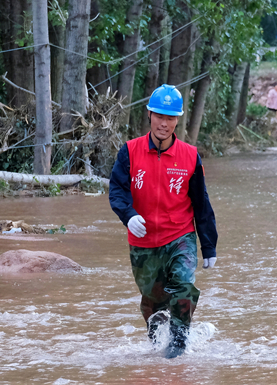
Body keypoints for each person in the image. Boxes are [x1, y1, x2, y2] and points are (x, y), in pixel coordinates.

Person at [109, 84, 218, 359]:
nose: (164, 123)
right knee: (154, 305)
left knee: (182, 285)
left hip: (180, 236)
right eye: (159, 116)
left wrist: (209, 245)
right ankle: (160, 341)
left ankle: (180, 344)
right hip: (143, 243)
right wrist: (128, 215)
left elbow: (201, 203)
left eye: (170, 118)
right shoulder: (129, 152)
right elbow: (117, 190)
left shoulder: (190, 156)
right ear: (149, 114)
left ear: (178, 119)